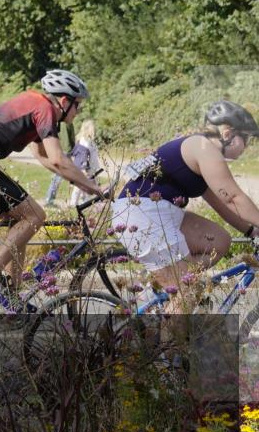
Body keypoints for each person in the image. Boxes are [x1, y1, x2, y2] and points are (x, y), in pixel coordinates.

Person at [0, 69, 108, 311]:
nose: (79, 110)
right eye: (78, 105)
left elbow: (43, 157)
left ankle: (10, 296)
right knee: (35, 215)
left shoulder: (39, 107)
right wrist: (94, 187)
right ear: (64, 101)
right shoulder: (45, 109)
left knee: (20, 219)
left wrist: (81, 183)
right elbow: (58, 158)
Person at [111, 100, 259, 314]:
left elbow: (222, 204)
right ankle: (168, 340)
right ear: (228, 133)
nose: (247, 146)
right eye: (247, 139)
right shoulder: (206, 149)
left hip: (155, 212)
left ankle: (161, 289)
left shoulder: (200, 149)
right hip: (143, 215)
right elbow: (234, 198)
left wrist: (251, 231)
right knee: (190, 290)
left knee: (219, 240)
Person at [44, 120, 100, 206]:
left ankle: (82, 201)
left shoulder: (68, 122)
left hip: (67, 153)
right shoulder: (65, 123)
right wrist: (70, 156)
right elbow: (66, 141)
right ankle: (50, 200)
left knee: (67, 178)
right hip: (65, 153)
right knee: (60, 177)